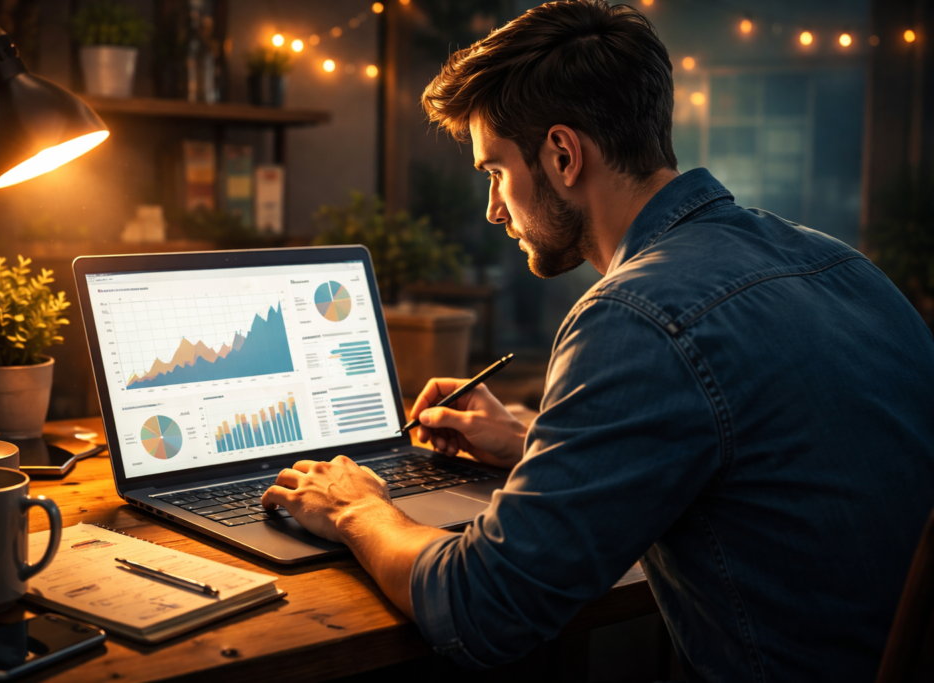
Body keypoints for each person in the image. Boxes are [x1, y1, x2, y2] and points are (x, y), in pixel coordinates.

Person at [262, 1, 934, 680]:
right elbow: (757, 459)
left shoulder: (637, 314)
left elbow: (483, 606)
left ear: (561, 154)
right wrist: (540, 445)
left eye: (495, 171)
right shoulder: (842, 265)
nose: (493, 208)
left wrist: (357, 508)